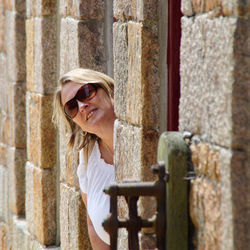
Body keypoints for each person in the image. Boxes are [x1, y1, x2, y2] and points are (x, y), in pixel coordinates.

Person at [53, 68, 116, 249]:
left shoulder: (148, 136)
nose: (82, 106)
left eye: (86, 93)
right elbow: (93, 227)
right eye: (72, 107)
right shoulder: (87, 157)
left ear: (106, 88)